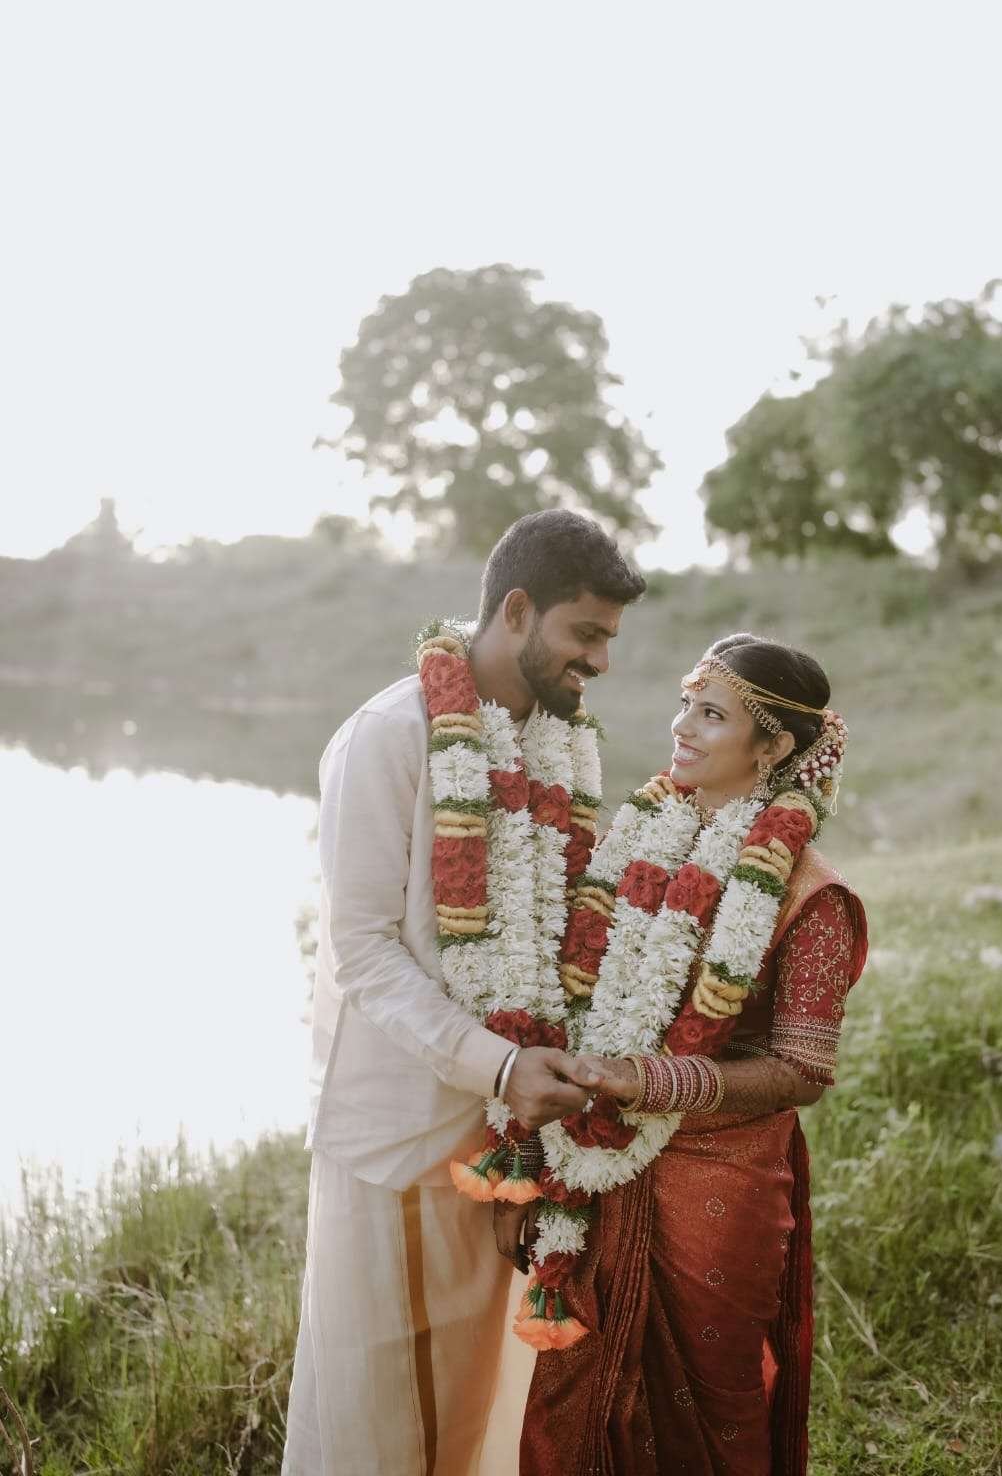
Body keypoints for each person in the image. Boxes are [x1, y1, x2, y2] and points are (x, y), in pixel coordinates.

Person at [282, 510, 646, 1476]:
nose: (601, 660)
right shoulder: (390, 736)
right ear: (516, 611)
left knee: (480, 1409)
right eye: (586, 632)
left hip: (507, 1138)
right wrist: (501, 1065)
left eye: (610, 637)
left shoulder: (555, 745)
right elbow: (362, 952)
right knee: (383, 1421)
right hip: (398, 1137)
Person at [495, 632, 868, 1476]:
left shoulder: (811, 896)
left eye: (711, 715)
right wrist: (529, 1158)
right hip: (594, 1166)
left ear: (773, 747)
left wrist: (651, 1081)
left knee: (708, 1406)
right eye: (684, 706)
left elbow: (802, 1070)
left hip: (719, 1184)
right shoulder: (635, 847)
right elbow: (570, 1009)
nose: (682, 727)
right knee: (570, 1392)